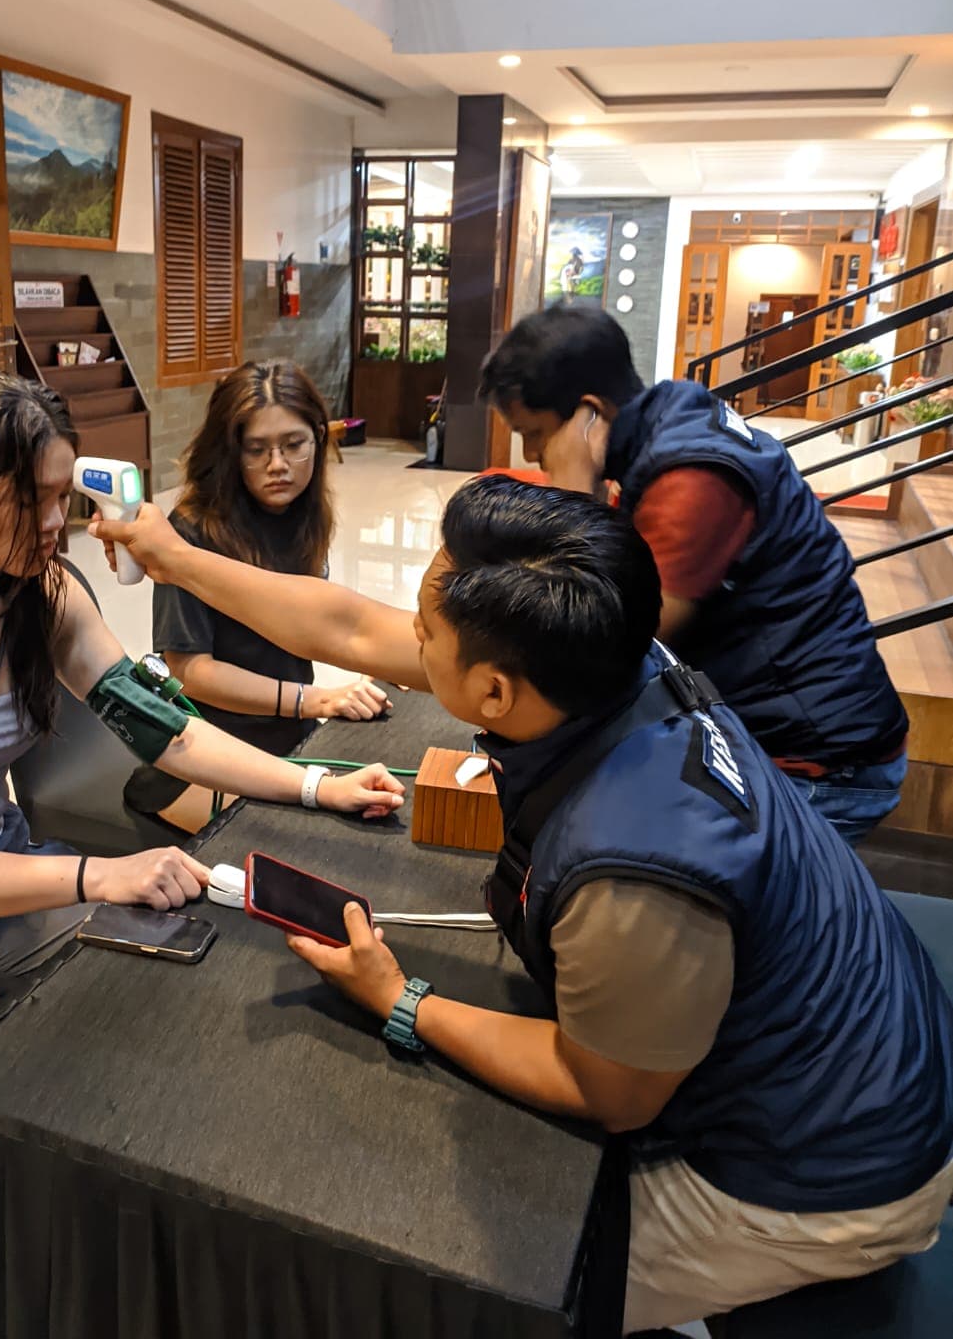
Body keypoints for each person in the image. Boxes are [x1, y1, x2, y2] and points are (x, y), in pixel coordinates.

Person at [286, 478, 953, 1333]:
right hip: (872, 1045)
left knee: (448, 1266)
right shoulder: (625, 659)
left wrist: (400, 999)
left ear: (493, 694)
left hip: (826, 1174)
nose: (408, 640)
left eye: (426, 634)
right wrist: (179, 560)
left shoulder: (632, 866)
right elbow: (352, 627)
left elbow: (609, 1090)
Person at [0, 374, 402, 1153]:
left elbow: (170, 733)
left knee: (165, 992)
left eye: (66, 496)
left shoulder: (42, 592)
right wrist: (97, 873)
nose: (57, 524)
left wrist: (314, 784)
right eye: (32, 500)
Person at [477, 303, 909, 843]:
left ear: (589, 412)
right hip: (783, 731)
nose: (533, 453)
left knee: (642, 876)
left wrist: (571, 498)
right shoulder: (669, 420)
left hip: (821, 765)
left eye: (535, 432)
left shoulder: (691, 480)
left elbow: (604, 638)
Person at [136, 362, 389, 831]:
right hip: (203, 754)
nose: (278, 465)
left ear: (319, 438)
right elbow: (190, 673)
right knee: (308, 847)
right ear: (230, 453)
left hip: (291, 739)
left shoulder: (305, 516)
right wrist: (312, 700)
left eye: (294, 446)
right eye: (256, 450)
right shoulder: (190, 531)